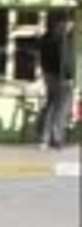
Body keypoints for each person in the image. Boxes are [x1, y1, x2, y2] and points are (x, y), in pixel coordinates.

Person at [39, 14, 77, 150]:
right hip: (61, 76)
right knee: (61, 109)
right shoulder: (62, 40)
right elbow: (64, 59)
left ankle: (45, 138)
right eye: (69, 24)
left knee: (51, 106)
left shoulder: (45, 38)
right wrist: (69, 76)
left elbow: (42, 59)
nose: (70, 27)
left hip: (49, 75)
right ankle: (56, 138)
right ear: (62, 24)